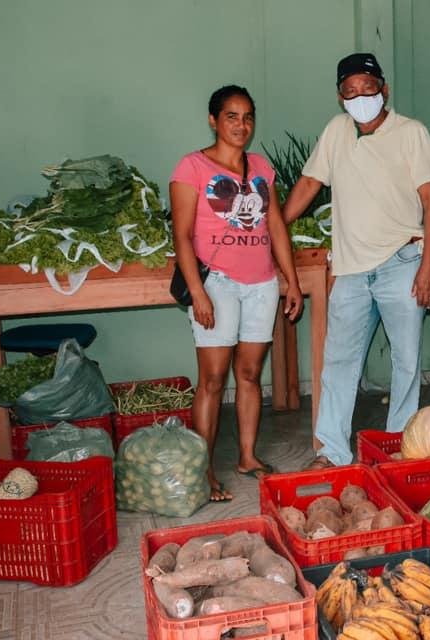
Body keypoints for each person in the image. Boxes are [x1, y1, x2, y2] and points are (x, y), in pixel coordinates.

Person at [283, 53, 430, 469]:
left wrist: (428, 266)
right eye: (351, 92)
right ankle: (332, 454)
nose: (360, 97)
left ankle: (399, 451)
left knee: (405, 361)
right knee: (338, 363)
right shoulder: (337, 131)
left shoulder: (412, 133)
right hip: (351, 270)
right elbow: (309, 183)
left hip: (401, 261)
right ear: (341, 97)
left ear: (383, 89)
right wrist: (276, 224)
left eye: (367, 88)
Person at [170, 85, 303, 501]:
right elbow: (182, 234)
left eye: (247, 117)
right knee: (211, 381)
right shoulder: (191, 167)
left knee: (249, 375)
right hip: (217, 284)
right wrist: (198, 292)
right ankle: (203, 471)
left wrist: (290, 280)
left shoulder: (261, 166)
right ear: (213, 120)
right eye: (231, 116)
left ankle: (247, 456)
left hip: (261, 283)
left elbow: (276, 225)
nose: (241, 125)